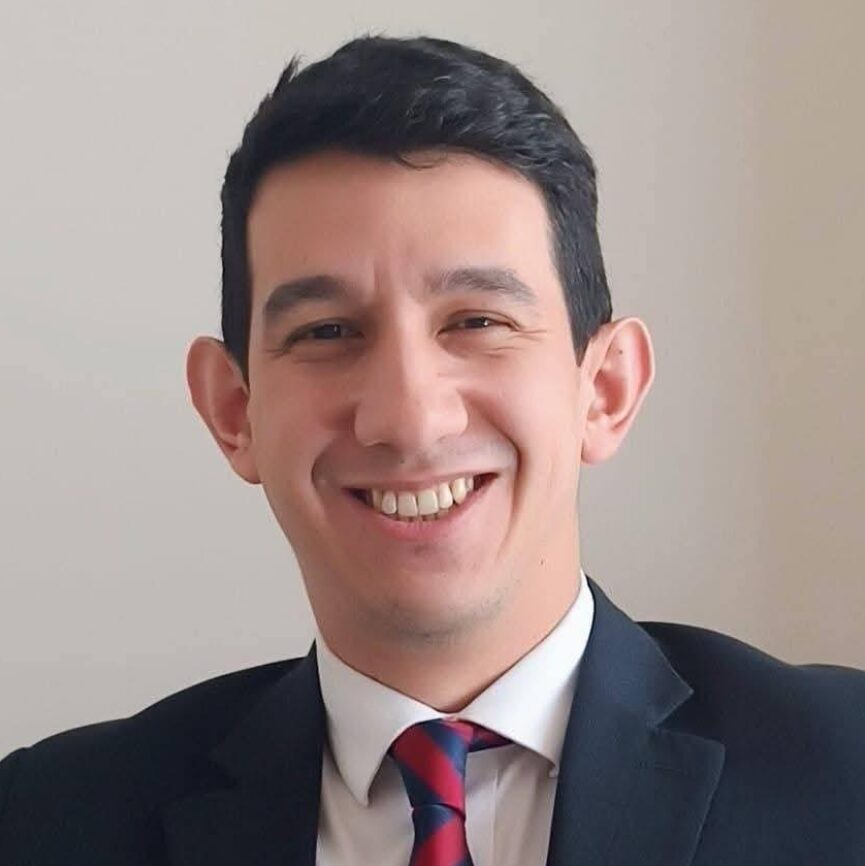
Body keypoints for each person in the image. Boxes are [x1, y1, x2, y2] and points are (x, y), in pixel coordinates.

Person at [1, 34, 863, 866]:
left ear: (603, 390)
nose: (408, 419)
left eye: (477, 322)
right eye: (328, 331)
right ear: (235, 412)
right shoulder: (47, 822)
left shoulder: (845, 775)